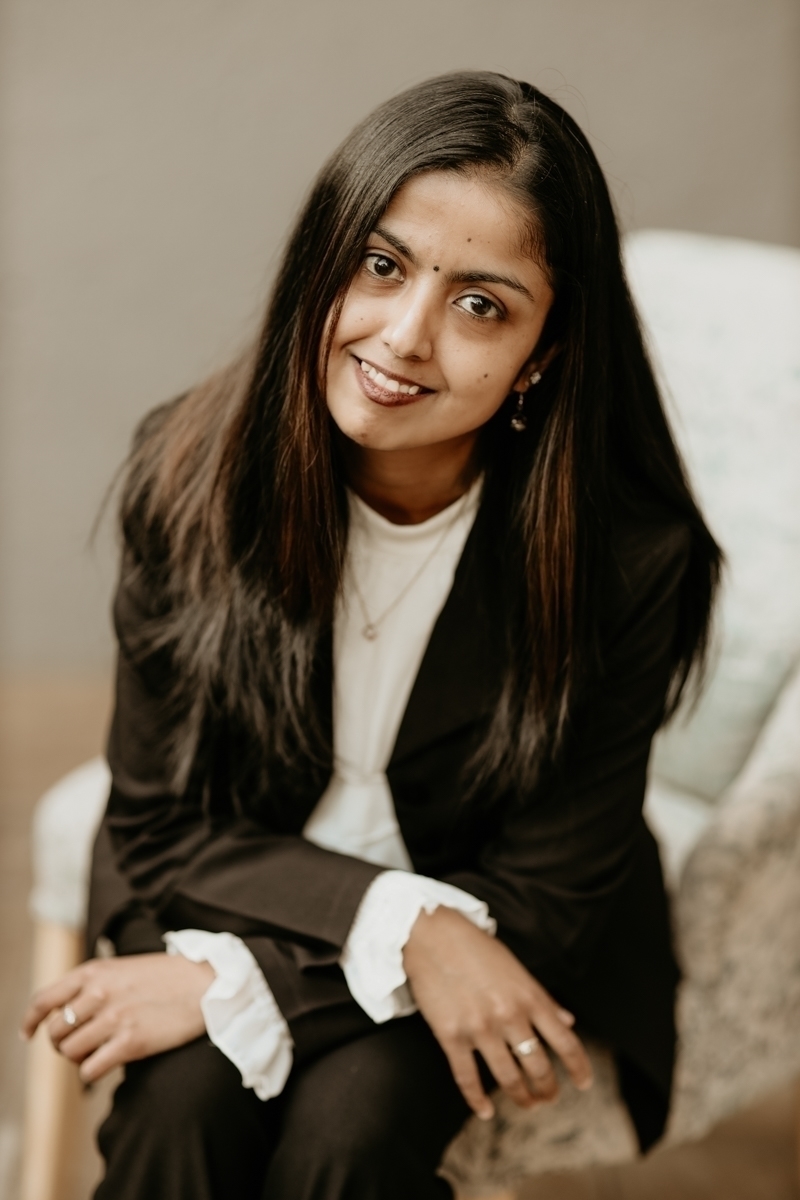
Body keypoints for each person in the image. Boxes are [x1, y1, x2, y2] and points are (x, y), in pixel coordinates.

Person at [23, 71, 721, 1199]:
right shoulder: (187, 475)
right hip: (230, 885)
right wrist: (404, 926)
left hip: (500, 918)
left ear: (542, 353)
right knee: (179, 1110)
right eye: (381, 265)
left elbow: (548, 897)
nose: (404, 336)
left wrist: (241, 985)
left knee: (349, 1135)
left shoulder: (625, 561)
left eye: (481, 305)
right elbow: (159, 824)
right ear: (322, 257)